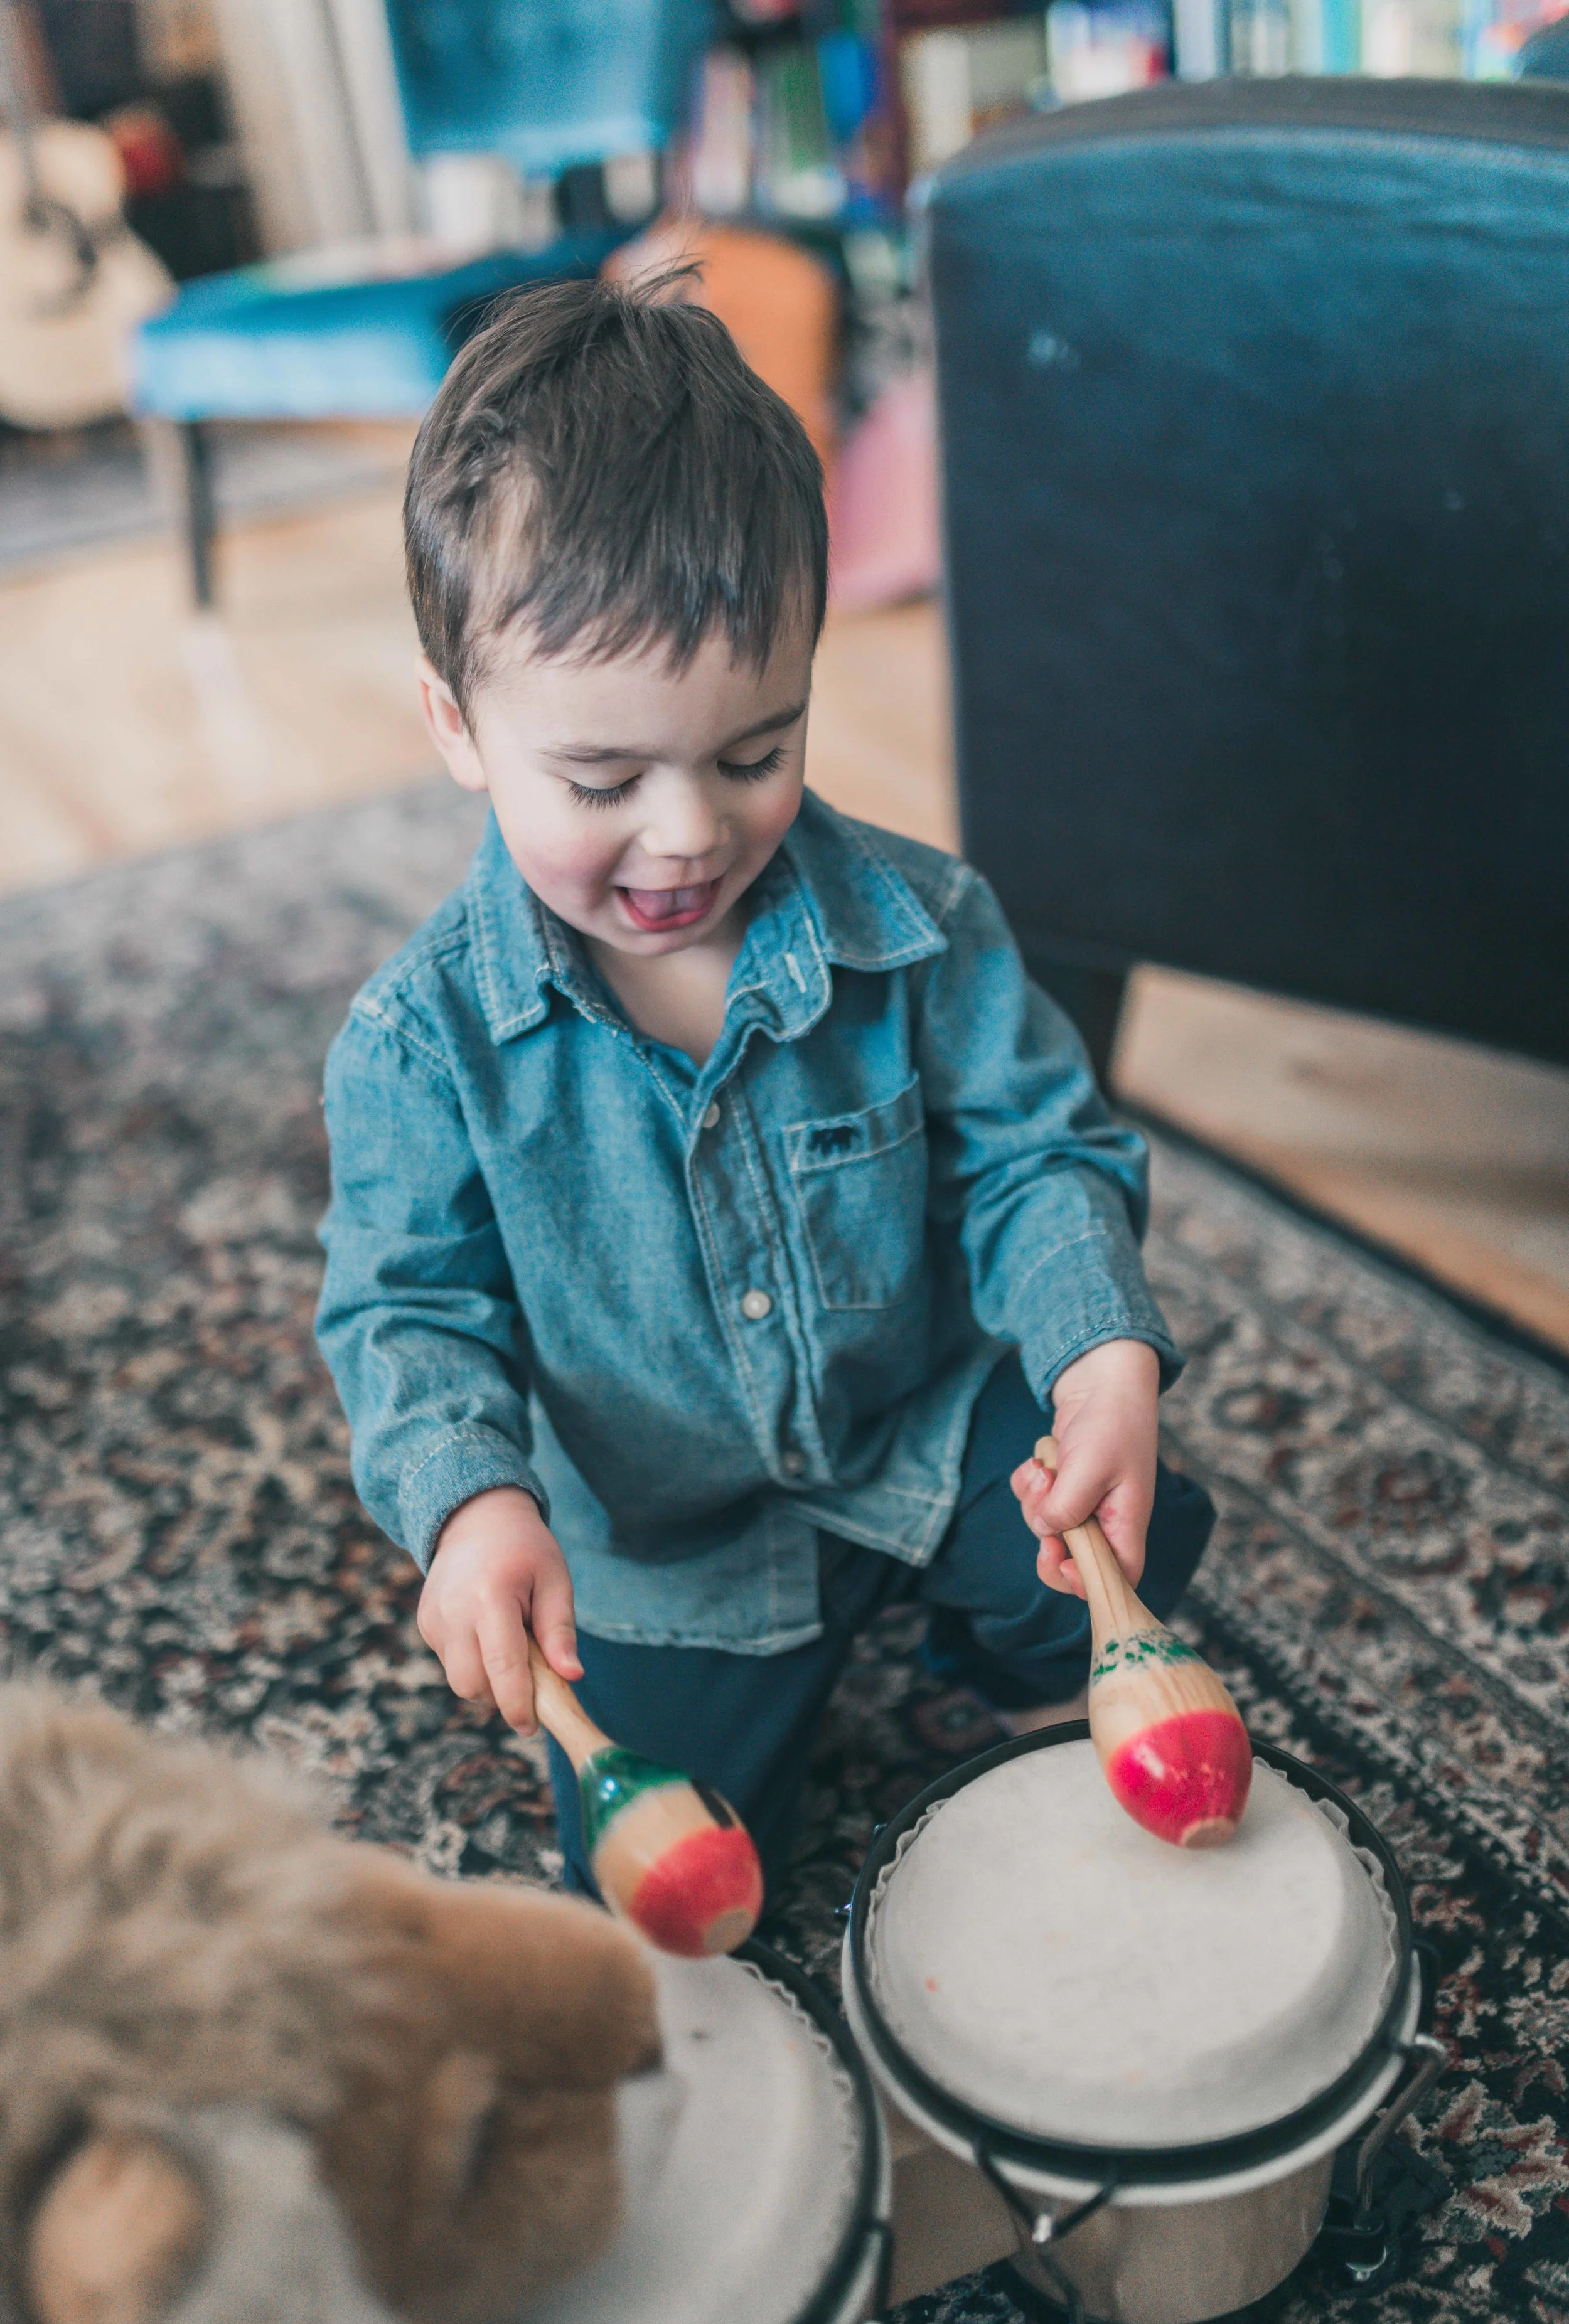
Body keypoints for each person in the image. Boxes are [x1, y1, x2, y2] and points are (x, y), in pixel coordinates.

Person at [316, 273, 1215, 1904]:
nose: (687, 834)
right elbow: (407, 1311)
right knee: (676, 1869)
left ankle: (1003, 1663)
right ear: (458, 726)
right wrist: (473, 1506)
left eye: (753, 754)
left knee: (1136, 1510)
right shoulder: (418, 1044)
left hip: (911, 1424)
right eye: (601, 779)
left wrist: (1100, 1358)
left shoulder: (923, 924)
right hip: (672, 1542)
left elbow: (1035, 1153)